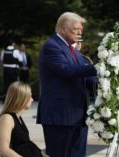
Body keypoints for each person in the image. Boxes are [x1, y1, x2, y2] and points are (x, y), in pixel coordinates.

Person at [37, 12, 97, 157]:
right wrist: (99, 67)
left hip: (78, 115)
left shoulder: (73, 50)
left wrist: (106, 84)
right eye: (76, 29)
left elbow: (84, 77)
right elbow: (67, 71)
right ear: (63, 29)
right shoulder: (52, 46)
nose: (80, 32)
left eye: (81, 29)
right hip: (60, 117)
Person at [0, 81, 45, 157]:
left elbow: (28, 146)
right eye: (30, 96)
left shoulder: (18, 119)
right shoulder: (7, 119)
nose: (32, 100)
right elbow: (4, 151)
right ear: (21, 98)